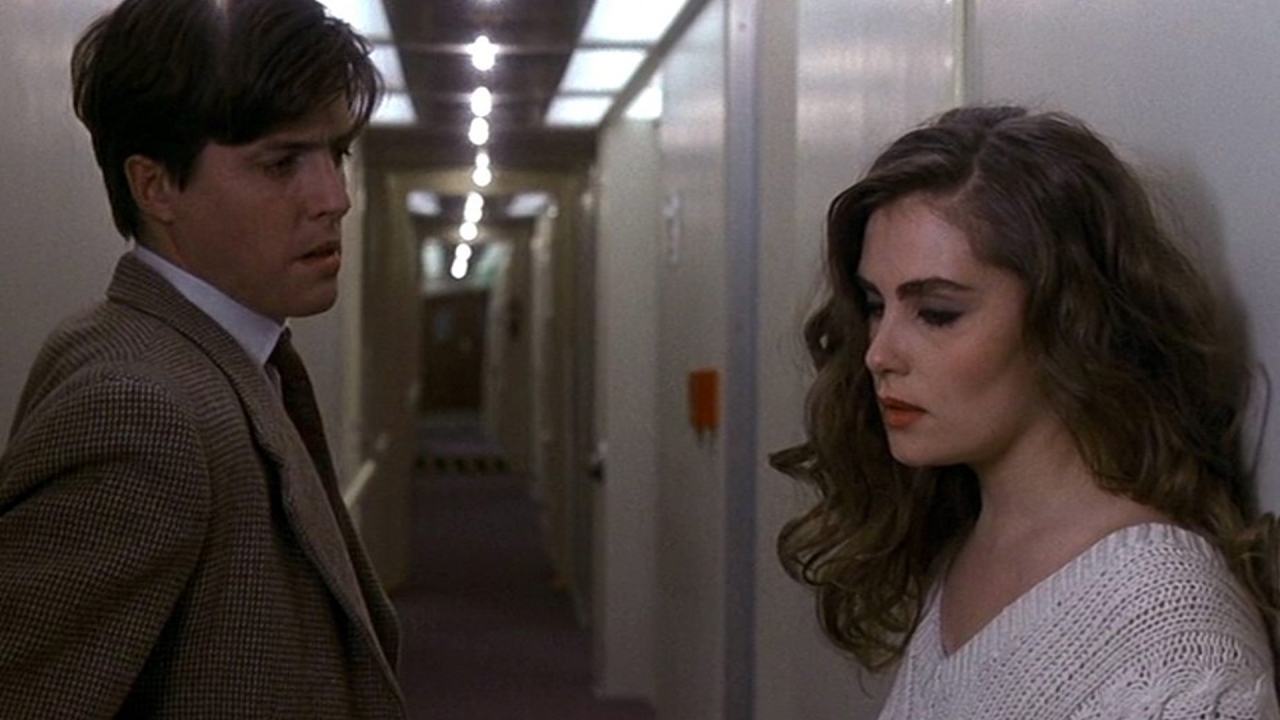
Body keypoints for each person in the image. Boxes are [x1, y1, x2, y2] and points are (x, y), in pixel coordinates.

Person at [771, 105, 1280, 718]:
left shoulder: (1173, 636)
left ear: (1070, 320)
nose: (878, 354)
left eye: (937, 313)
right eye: (877, 305)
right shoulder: (972, 544)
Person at [0, 0, 406, 716]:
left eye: (335, 154)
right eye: (281, 163)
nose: (334, 198)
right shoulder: (137, 407)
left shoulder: (213, 353)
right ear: (155, 186)